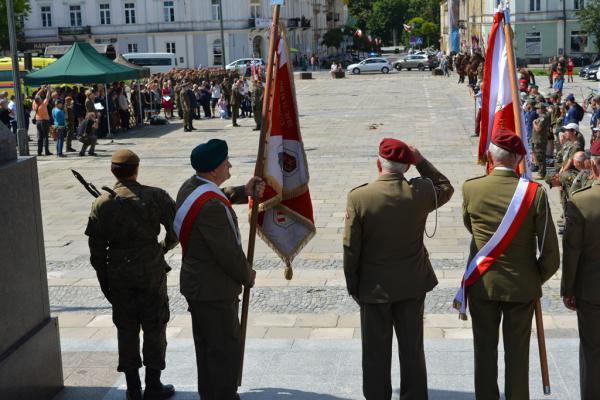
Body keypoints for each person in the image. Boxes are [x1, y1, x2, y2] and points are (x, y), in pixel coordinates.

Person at [343, 138, 454, 400]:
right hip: (412, 284)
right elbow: (446, 187)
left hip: (373, 287)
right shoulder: (420, 192)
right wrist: (420, 161)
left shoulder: (359, 197)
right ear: (406, 168)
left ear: (378, 164)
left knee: (375, 353)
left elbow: (350, 248)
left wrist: (353, 285)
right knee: (412, 350)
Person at [462, 130, 559, 400]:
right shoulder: (534, 193)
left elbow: (470, 226)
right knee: (517, 354)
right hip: (520, 287)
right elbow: (550, 251)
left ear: (491, 157)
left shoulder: (471, 188)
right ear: (519, 158)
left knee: (484, 351)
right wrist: (533, 277)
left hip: (484, 284)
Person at [174, 139, 264, 400]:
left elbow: (215, 195)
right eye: (226, 162)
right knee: (224, 351)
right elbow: (228, 254)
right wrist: (248, 275)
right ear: (214, 170)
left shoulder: (190, 186)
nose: (230, 165)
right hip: (213, 290)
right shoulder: (211, 207)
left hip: (199, 285)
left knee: (207, 350)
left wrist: (242, 190)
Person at [85, 149, 178, 400]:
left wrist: (105, 280)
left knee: (126, 329)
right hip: (150, 270)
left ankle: (133, 388)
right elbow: (175, 230)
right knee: (155, 326)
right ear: (136, 169)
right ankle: (154, 385)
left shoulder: (102, 202)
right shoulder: (156, 196)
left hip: (119, 273)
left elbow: (96, 252)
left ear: (112, 171)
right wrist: (162, 249)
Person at [561, 140, 600, 399]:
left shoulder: (581, 201)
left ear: (593, 165)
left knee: (592, 350)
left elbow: (572, 251)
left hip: (591, 290)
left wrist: (568, 290)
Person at [532, 102, 550, 178]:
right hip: (537, 139)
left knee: (540, 156)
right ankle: (540, 171)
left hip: (540, 140)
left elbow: (538, 129)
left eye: (537, 108)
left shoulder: (543, 117)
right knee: (538, 156)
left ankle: (542, 173)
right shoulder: (541, 117)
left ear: (542, 109)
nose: (536, 110)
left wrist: (534, 123)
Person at [33, 87, 52, 156]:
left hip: (38, 121)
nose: (41, 98)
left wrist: (41, 89)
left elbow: (36, 96)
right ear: (40, 101)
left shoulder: (34, 104)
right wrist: (48, 90)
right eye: (41, 98)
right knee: (45, 137)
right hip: (44, 121)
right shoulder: (43, 105)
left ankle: (39, 151)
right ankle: (46, 151)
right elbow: (47, 97)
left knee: (39, 137)